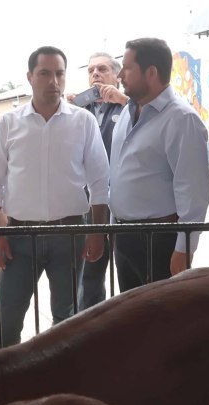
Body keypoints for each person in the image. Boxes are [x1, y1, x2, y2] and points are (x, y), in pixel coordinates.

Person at [0, 45, 108, 346]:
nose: (53, 80)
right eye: (45, 73)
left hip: (71, 233)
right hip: (20, 237)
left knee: (67, 319)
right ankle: (2, 384)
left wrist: (97, 231)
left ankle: (60, 384)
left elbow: (100, 181)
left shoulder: (83, 122)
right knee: (8, 316)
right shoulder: (9, 123)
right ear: (30, 77)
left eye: (60, 73)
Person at [109, 37, 209, 290]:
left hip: (159, 240)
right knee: (133, 317)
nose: (120, 74)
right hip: (125, 238)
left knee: (161, 322)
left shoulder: (182, 119)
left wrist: (184, 248)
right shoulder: (128, 112)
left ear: (151, 72)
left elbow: (193, 191)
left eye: (127, 68)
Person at [72, 51, 129, 309]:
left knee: (127, 268)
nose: (95, 73)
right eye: (91, 70)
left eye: (103, 69)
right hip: (89, 202)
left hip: (122, 201)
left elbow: (150, 120)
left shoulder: (130, 106)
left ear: (117, 75)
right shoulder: (79, 112)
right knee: (89, 272)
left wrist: (124, 100)